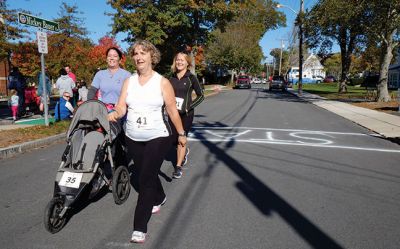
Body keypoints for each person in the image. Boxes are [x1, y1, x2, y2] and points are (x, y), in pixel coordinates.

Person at [108, 40, 187, 244]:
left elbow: (171, 110)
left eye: (143, 53)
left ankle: (139, 227)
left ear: (152, 56)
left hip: (158, 136)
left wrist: (181, 133)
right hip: (133, 137)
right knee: (147, 173)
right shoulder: (129, 82)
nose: (139, 57)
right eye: (135, 54)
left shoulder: (162, 82)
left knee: (145, 179)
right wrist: (113, 114)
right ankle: (160, 197)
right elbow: (122, 107)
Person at [169, 52, 204, 179]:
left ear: (187, 63)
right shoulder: (170, 77)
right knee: (172, 140)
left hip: (186, 115)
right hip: (172, 114)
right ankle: (184, 152)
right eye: (177, 60)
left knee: (181, 139)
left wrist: (190, 106)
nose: (179, 62)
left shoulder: (191, 77)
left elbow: (201, 95)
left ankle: (178, 167)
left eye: (182, 60)